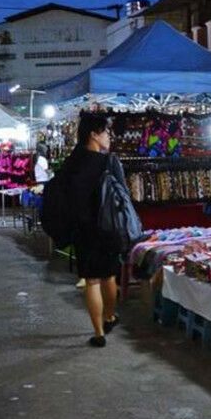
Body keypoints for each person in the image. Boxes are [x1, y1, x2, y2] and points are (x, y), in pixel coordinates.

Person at [60, 113, 122, 347]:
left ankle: (98, 334)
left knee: (92, 281)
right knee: (108, 276)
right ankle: (109, 316)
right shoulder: (107, 162)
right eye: (106, 132)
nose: (109, 136)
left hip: (83, 228)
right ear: (94, 134)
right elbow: (122, 195)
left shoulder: (72, 161)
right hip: (107, 227)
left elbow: (61, 195)